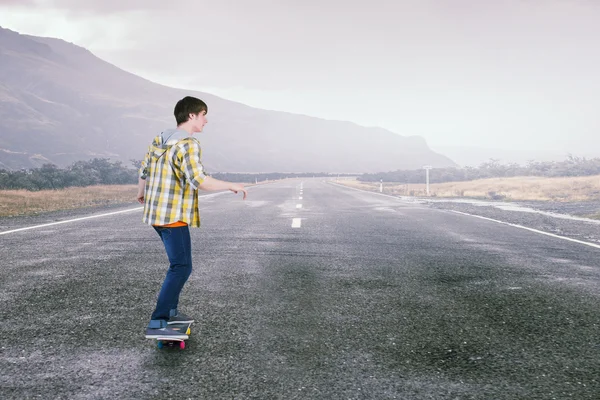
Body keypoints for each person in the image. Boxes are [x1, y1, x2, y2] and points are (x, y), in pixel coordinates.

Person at [137, 96, 247, 339]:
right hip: (172, 214)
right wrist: (231, 186)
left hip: (155, 213)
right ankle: (158, 321)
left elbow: (144, 170)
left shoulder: (160, 139)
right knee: (181, 267)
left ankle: (171, 312)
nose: (206, 120)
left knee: (181, 266)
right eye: (203, 114)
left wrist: (141, 193)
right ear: (191, 116)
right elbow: (199, 180)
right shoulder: (188, 144)